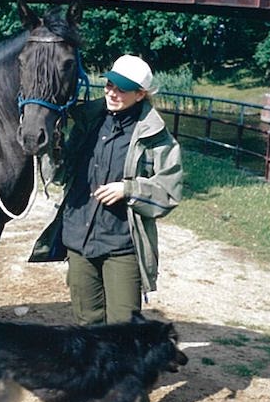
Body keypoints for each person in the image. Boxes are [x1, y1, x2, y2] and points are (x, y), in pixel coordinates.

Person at [29, 54, 183, 325]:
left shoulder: (156, 136)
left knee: (123, 328)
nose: (111, 92)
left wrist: (129, 189)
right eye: (109, 85)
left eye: (121, 89)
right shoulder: (88, 121)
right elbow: (62, 174)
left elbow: (169, 191)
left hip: (121, 244)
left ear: (140, 94)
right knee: (87, 324)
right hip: (78, 238)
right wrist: (52, 151)